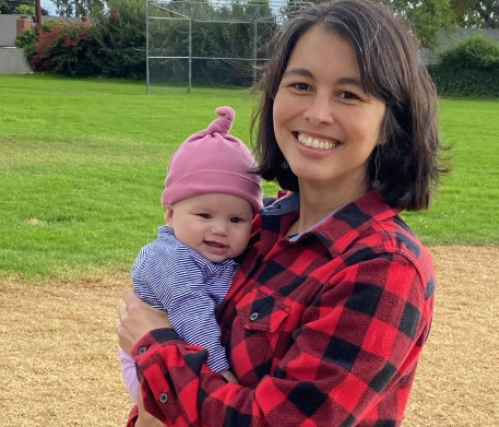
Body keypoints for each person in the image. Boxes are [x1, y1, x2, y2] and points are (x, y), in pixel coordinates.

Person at [117, 0, 447, 425]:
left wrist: (153, 344)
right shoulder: (256, 226)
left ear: (389, 122)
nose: (317, 113)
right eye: (300, 86)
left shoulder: (384, 269)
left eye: (349, 94)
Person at [118, 106, 263, 405]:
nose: (220, 229)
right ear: (170, 215)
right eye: (205, 215)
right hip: (149, 366)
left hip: (182, 355)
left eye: (236, 220)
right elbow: (192, 313)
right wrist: (219, 370)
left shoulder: (217, 257)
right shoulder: (170, 258)